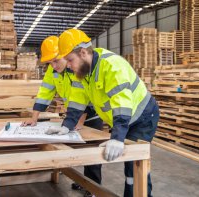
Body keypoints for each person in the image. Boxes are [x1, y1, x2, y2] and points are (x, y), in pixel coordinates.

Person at [55, 29, 159, 197]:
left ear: (83, 53)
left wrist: (117, 139)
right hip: (125, 118)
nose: (67, 64)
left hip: (142, 117)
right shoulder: (82, 72)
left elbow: (122, 103)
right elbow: (77, 100)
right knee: (131, 165)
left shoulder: (111, 65)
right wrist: (67, 125)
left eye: (69, 59)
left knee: (135, 165)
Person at [21, 35, 103, 197]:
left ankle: (93, 189)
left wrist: (79, 121)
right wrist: (34, 117)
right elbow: (45, 92)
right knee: (78, 152)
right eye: (49, 62)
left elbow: (84, 98)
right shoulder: (54, 70)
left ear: (65, 55)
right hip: (74, 114)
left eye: (56, 61)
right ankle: (84, 182)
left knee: (92, 154)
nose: (53, 65)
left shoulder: (78, 67)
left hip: (91, 114)